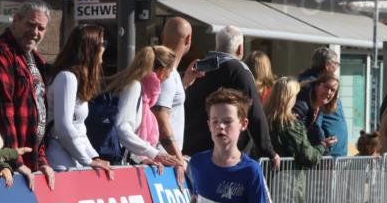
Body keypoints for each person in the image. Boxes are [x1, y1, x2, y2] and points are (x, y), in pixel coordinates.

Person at [0, 0, 57, 190]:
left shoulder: (36, 59)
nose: (35, 32)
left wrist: (41, 159)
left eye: (40, 28)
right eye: (30, 24)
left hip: (26, 165)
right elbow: (1, 113)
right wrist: (15, 160)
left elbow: (40, 113)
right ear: (16, 20)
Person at [183, 26, 278, 167]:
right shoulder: (238, 70)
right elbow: (255, 113)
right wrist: (268, 151)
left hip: (192, 150)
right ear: (240, 49)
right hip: (225, 155)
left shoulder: (198, 68)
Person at [46, 24, 114, 178]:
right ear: (90, 47)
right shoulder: (67, 78)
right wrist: (88, 160)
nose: (104, 48)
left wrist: (93, 157)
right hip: (60, 164)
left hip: (71, 161)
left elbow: (79, 129)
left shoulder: (75, 79)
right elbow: (62, 126)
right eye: (102, 44)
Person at [107, 45, 182, 168]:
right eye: (170, 73)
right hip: (114, 165)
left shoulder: (141, 91)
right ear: (162, 72)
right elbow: (123, 129)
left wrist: (141, 158)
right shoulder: (135, 87)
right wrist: (154, 153)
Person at [153, 17, 205, 167]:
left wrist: (185, 82)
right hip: (164, 159)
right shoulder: (167, 74)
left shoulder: (169, 72)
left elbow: (169, 103)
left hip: (165, 156)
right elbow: (161, 119)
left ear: (163, 36)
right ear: (188, 39)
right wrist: (178, 159)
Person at [297, 46, 348, 157]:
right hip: (324, 156)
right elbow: (315, 126)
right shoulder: (314, 89)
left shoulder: (320, 87)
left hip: (327, 153)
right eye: (336, 64)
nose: (337, 67)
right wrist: (324, 151)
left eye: (332, 90)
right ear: (328, 65)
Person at [264, 77, 325, 169]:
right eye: (295, 95)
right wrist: (323, 145)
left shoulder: (263, 119)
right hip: (289, 179)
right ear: (289, 98)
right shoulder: (291, 124)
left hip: (264, 177)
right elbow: (308, 157)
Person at [293, 72, 340, 151]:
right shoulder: (302, 104)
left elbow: (314, 131)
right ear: (317, 86)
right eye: (326, 87)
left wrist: (324, 146)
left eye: (332, 90)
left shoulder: (318, 105)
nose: (328, 92)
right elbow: (296, 136)